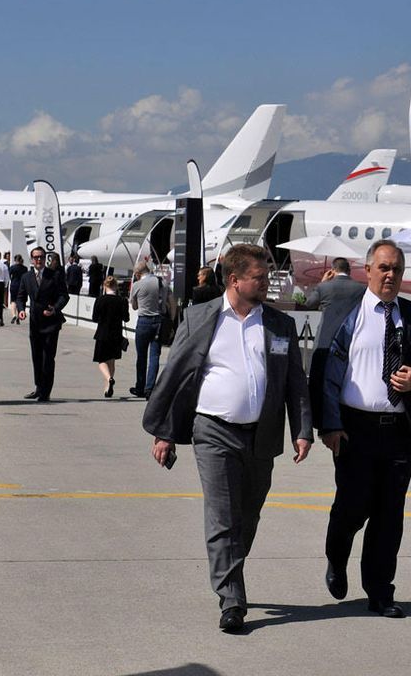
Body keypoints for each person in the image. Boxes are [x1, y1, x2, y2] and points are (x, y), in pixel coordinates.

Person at [143, 243, 312, 634]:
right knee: (222, 516)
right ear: (235, 280)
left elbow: (295, 383)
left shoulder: (278, 324)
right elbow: (178, 376)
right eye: (260, 277)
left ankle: (230, 570)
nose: (267, 284)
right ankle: (232, 601)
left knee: (247, 517)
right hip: (213, 431)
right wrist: (165, 432)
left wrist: (303, 429)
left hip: (262, 434)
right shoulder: (201, 317)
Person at [308, 240, 411, 618]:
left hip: (398, 429)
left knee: (389, 514)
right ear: (368, 271)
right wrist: (328, 425)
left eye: (396, 268)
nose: (391, 275)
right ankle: (337, 554)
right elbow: (324, 374)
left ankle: (380, 591)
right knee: (352, 507)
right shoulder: (348, 314)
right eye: (383, 268)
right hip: (354, 429)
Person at [14, 247, 68, 401]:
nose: (39, 260)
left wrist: (55, 308)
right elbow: (20, 296)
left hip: (51, 323)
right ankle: (38, 387)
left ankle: (46, 391)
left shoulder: (54, 276)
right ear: (31, 259)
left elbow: (64, 296)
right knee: (36, 357)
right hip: (35, 322)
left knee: (48, 358)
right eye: (36, 257)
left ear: (45, 259)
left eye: (41, 257)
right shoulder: (26, 277)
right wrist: (21, 309)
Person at [128, 262, 169, 399]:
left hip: (144, 321)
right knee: (154, 356)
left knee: (141, 356)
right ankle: (150, 389)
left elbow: (134, 306)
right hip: (159, 321)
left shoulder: (137, 285)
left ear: (138, 274)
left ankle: (140, 387)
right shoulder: (161, 282)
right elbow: (171, 300)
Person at [92, 275, 129, 397]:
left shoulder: (100, 300)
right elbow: (126, 318)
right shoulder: (122, 300)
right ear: (116, 286)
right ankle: (107, 387)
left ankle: (109, 379)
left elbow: (94, 318)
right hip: (116, 334)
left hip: (102, 333)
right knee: (111, 360)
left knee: (101, 360)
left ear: (104, 286)